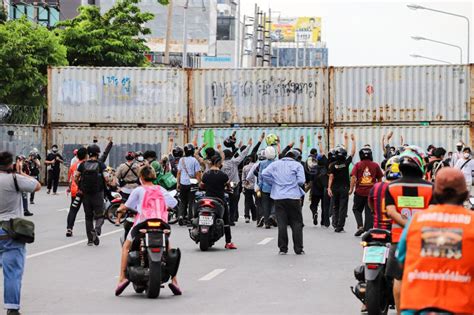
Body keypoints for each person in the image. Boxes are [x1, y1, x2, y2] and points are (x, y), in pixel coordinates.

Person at [397, 168, 474, 315]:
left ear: (435, 193)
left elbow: (402, 260)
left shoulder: (416, 221)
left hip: (416, 306)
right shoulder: (472, 222)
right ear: (465, 194)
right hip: (461, 307)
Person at [115, 165, 180, 297]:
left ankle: (122, 278)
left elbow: (127, 206)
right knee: (168, 247)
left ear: (140, 178)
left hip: (142, 224)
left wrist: (119, 209)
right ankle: (175, 280)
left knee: (126, 247)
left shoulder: (138, 190)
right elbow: (173, 203)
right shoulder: (161, 189)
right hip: (162, 225)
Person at [385, 148, 434, 314]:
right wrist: (416, 226)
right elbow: (432, 212)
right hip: (425, 239)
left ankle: (400, 312)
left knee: (398, 277)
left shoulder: (391, 187)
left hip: (399, 240)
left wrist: (407, 225)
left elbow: (391, 212)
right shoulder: (431, 188)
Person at [0, 151, 41, 315]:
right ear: (11, 164)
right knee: (12, 273)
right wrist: (20, 172)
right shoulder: (15, 178)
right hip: (11, 230)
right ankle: (11, 308)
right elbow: (37, 186)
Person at [262, 149, 305, 255]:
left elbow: (264, 174)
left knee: (282, 223)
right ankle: (298, 249)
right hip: (293, 197)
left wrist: (274, 183)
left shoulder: (275, 164)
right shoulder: (297, 165)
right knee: (296, 223)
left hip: (279, 197)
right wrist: (292, 184)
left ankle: (283, 249)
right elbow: (301, 181)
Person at [201, 154, 237, 249]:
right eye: (221, 162)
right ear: (218, 163)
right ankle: (228, 242)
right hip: (219, 200)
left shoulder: (206, 174)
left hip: (207, 199)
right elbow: (228, 185)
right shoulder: (223, 175)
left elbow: (201, 185)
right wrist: (228, 188)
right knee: (226, 220)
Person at [75, 145, 108, 246]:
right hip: (98, 193)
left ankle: (90, 240)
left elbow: (76, 177)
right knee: (100, 215)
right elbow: (107, 178)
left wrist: (80, 186)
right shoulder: (101, 165)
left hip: (86, 194)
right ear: (97, 154)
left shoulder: (82, 165)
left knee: (88, 217)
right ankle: (97, 229)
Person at [350, 146, 383, 236]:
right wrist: (379, 189)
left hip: (359, 192)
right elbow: (380, 177)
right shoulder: (375, 165)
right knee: (369, 211)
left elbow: (353, 177)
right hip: (371, 192)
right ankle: (368, 229)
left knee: (356, 209)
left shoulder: (358, 165)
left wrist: (351, 189)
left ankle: (360, 226)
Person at [327, 133, 356, 233]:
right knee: (343, 207)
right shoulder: (346, 163)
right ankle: (340, 226)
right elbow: (353, 152)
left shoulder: (332, 165)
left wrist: (329, 188)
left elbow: (331, 177)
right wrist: (353, 140)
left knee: (335, 206)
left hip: (335, 188)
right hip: (344, 188)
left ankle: (335, 223)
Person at [222, 138, 252, 224]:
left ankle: (225, 218)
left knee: (223, 202)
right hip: (234, 184)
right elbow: (243, 155)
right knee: (233, 203)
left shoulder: (220, 164)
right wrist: (249, 145)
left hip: (225, 185)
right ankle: (232, 219)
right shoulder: (234, 162)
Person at [368, 156, 401, 231]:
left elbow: (370, 202)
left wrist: (373, 211)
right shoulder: (401, 188)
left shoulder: (377, 186)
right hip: (395, 229)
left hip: (378, 227)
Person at [308, 133, 330, 227]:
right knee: (324, 206)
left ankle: (314, 213)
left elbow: (309, 178)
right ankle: (323, 221)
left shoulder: (312, 165)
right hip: (324, 188)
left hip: (315, 188)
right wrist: (320, 141)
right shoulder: (325, 163)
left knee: (314, 204)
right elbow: (322, 152)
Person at [177, 143, 202, 225]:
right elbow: (198, 172)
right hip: (192, 183)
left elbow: (179, 172)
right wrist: (199, 183)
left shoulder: (182, 160)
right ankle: (190, 219)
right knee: (191, 202)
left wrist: (178, 183)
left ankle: (181, 216)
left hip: (183, 183)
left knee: (182, 201)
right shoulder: (194, 160)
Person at [66, 147, 87, 237]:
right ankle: (90, 230)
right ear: (86, 155)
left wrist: (70, 188)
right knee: (88, 211)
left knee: (73, 210)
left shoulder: (73, 166)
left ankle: (69, 228)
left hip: (75, 191)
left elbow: (70, 180)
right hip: (85, 191)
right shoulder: (87, 165)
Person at [258, 146, 277, 229]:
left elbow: (260, 176)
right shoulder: (277, 163)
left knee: (265, 205)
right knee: (275, 203)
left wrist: (259, 186)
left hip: (265, 188)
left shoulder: (262, 163)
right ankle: (272, 215)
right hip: (275, 187)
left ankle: (266, 223)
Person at [242, 155, 257, 223]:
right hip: (256, 187)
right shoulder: (258, 166)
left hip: (247, 186)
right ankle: (258, 216)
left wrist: (244, 186)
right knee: (258, 201)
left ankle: (247, 216)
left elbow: (243, 178)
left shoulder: (245, 167)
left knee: (247, 202)